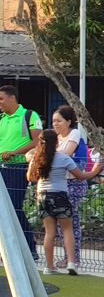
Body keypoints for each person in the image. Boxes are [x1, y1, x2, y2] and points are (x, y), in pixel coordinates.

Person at [27, 129, 102, 275]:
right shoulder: (63, 158)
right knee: (68, 230)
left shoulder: (37, 158)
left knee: (49, 232)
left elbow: (30, 177)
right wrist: (95, 170)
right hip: (60, 195)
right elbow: (80, 176)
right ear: (56, 142)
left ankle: (49, 266)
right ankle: (71, 262)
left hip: (43, 196)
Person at [0, 85, 41, 259]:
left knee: (14, 207)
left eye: (1, 98)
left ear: (12, 98)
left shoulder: (29, 115)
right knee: (3, 209)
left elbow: (37, 141)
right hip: (1, 168)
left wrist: (15, 153)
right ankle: (14, 249)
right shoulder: (0, 118)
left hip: (19, 168)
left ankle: (28, 248)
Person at [52, 106, 89, 268]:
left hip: (75, 183)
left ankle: (74, 258)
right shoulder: (56, 138)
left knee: (71, 220)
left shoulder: (74, 134)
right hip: (61, 182)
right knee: (62, 221)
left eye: (59, 121)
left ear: (68, 121)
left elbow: (65, 154)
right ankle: (68, 257)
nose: (55, 124)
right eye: (53, 121)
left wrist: (49, 156)